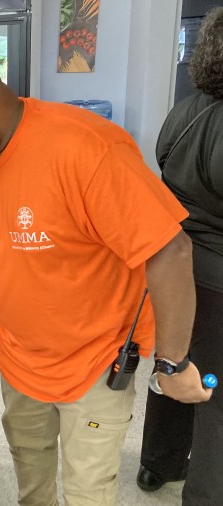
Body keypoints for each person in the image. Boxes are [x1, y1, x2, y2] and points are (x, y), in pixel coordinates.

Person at [0, 44, 213, 506]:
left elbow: (169, 250)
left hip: (94, 367)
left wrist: (172, 363)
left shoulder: (87, 150)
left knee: (87, 492)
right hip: (19, 361)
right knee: (32, 487)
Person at [136, 7, 223, 505]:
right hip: (217, 284)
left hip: (174, 268)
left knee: (174, 365)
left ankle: (157, 464)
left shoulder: (185, 111)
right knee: (214, 389)